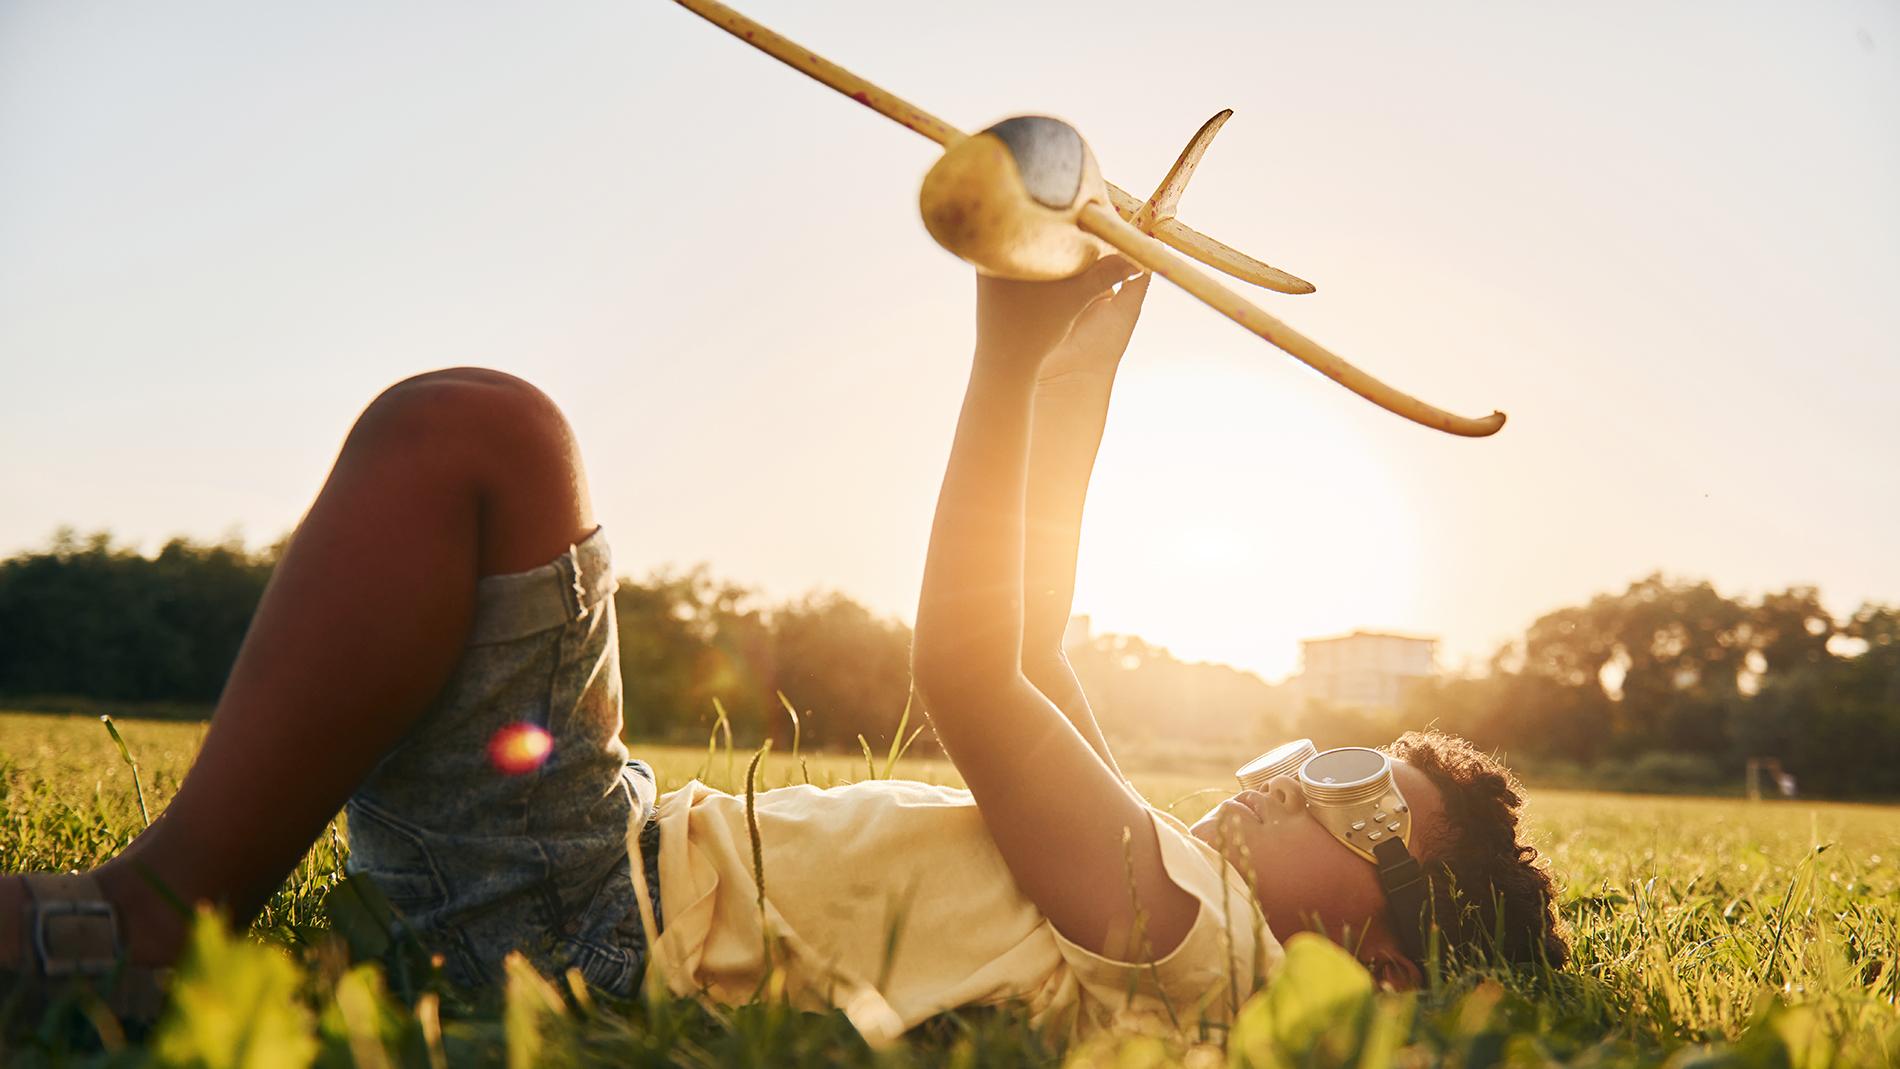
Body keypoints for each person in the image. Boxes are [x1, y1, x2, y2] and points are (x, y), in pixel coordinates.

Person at [2, 256, 1566, 1041]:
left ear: (1385, 958)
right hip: (599, 855)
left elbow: (966, 674)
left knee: (481, 436)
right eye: (1324, 755)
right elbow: (1029, 635)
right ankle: (256, 903)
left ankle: (149, 916)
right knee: (495, 495)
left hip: (580, 921)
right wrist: (1074, 372)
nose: (1296, 777)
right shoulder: (1180, 880)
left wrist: (1001, 350)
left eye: (1365, 801)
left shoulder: (1199, 941)